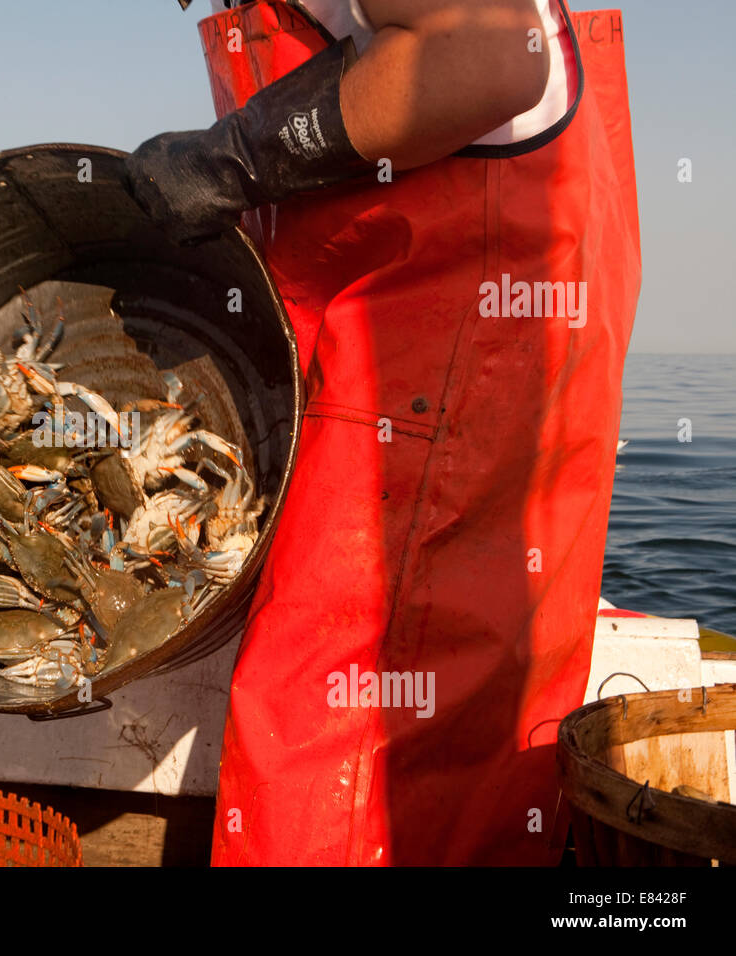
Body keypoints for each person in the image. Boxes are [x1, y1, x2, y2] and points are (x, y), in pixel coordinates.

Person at [127, 0, 640, 864]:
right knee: (447, 757)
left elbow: (485, 50)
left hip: (434, 394)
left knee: (329, 745)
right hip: (439, 393)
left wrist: (229, 158)